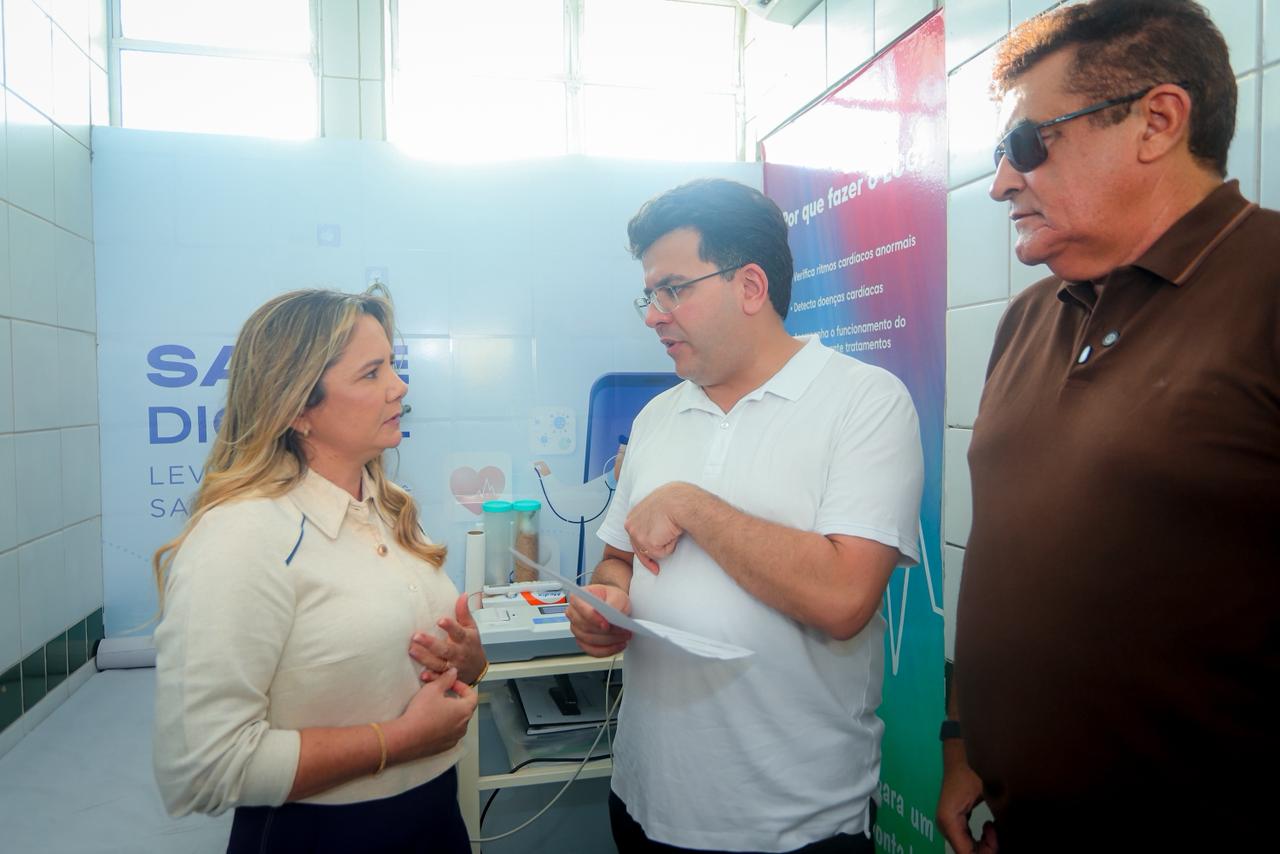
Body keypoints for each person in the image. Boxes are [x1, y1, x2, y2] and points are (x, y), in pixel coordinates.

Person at [937, 1, 1280, 851]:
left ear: (1157, 122)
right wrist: (965, 734)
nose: (1001, 182)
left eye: (1027, 144)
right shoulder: (1028, 318)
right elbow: (1005, 546)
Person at [567, 178, 925, 853]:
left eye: (674, 289)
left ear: (751, 287)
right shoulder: (657, 416)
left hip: (792, 825)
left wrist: (691, 505)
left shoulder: (865, 403)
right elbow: (615, 558)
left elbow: (844, 598)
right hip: (644, 800)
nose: (653, 316)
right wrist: (605, 601)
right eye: (650, 295)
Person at [152, 286, 487, 854]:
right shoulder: (241, 537)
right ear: (298, 409)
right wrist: (398, 741)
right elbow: (202, 768)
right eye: (372, 373)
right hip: (317, 835)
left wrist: (469, 662)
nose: (399, 387)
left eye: (392, 366)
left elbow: (397, 668)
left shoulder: (387, 508)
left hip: (432, 817)